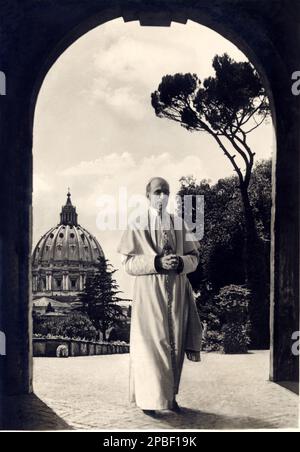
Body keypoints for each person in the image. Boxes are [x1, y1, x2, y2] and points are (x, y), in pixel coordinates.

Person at [117, 177, 202, 417]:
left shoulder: (179, 224)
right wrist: (156, 261)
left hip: (176, 292)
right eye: (157, 191)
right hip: (149, 294)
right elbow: (128, 264)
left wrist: (180, 262)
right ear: (148, 196)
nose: (162, 196)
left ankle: (169, 397)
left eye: (166, 191)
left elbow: (194, 259)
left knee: (173, 345)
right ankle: (148, 399)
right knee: (150, 347)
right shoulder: (137, 224)